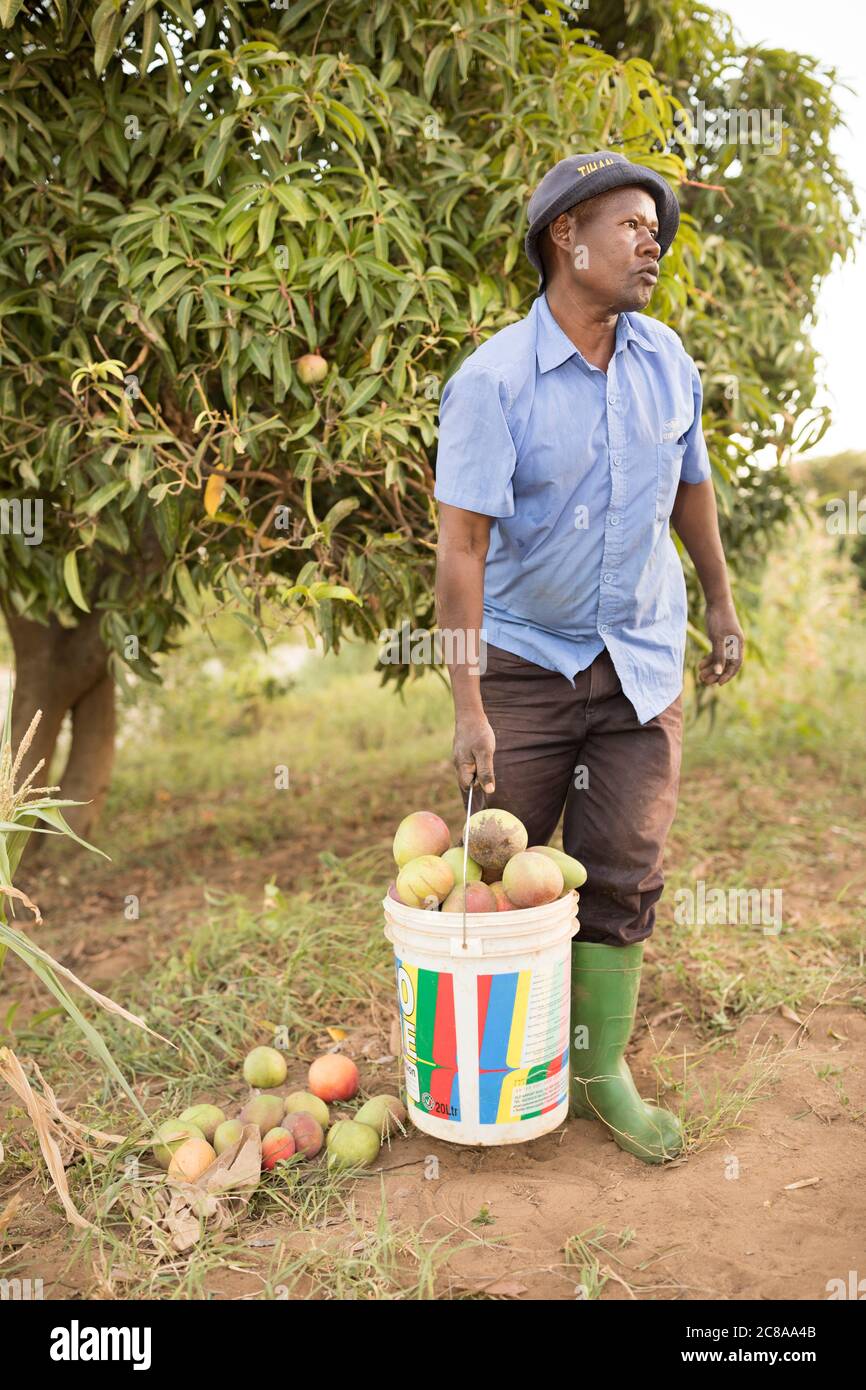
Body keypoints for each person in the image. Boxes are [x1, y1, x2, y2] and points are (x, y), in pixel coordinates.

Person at [433, 151, 744, 1163]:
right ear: (566, 238)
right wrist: (468, 703)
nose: (650, 239)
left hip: (640, 661)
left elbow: (690, 489)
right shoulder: (490, 382)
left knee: (621, 869)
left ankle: (599, 1069)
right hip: (523, 665)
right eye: (629, 224)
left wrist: (720, 602)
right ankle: (487, 1062)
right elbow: (461, 550)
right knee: (488, 872)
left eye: (655, 226)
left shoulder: (666, 362)